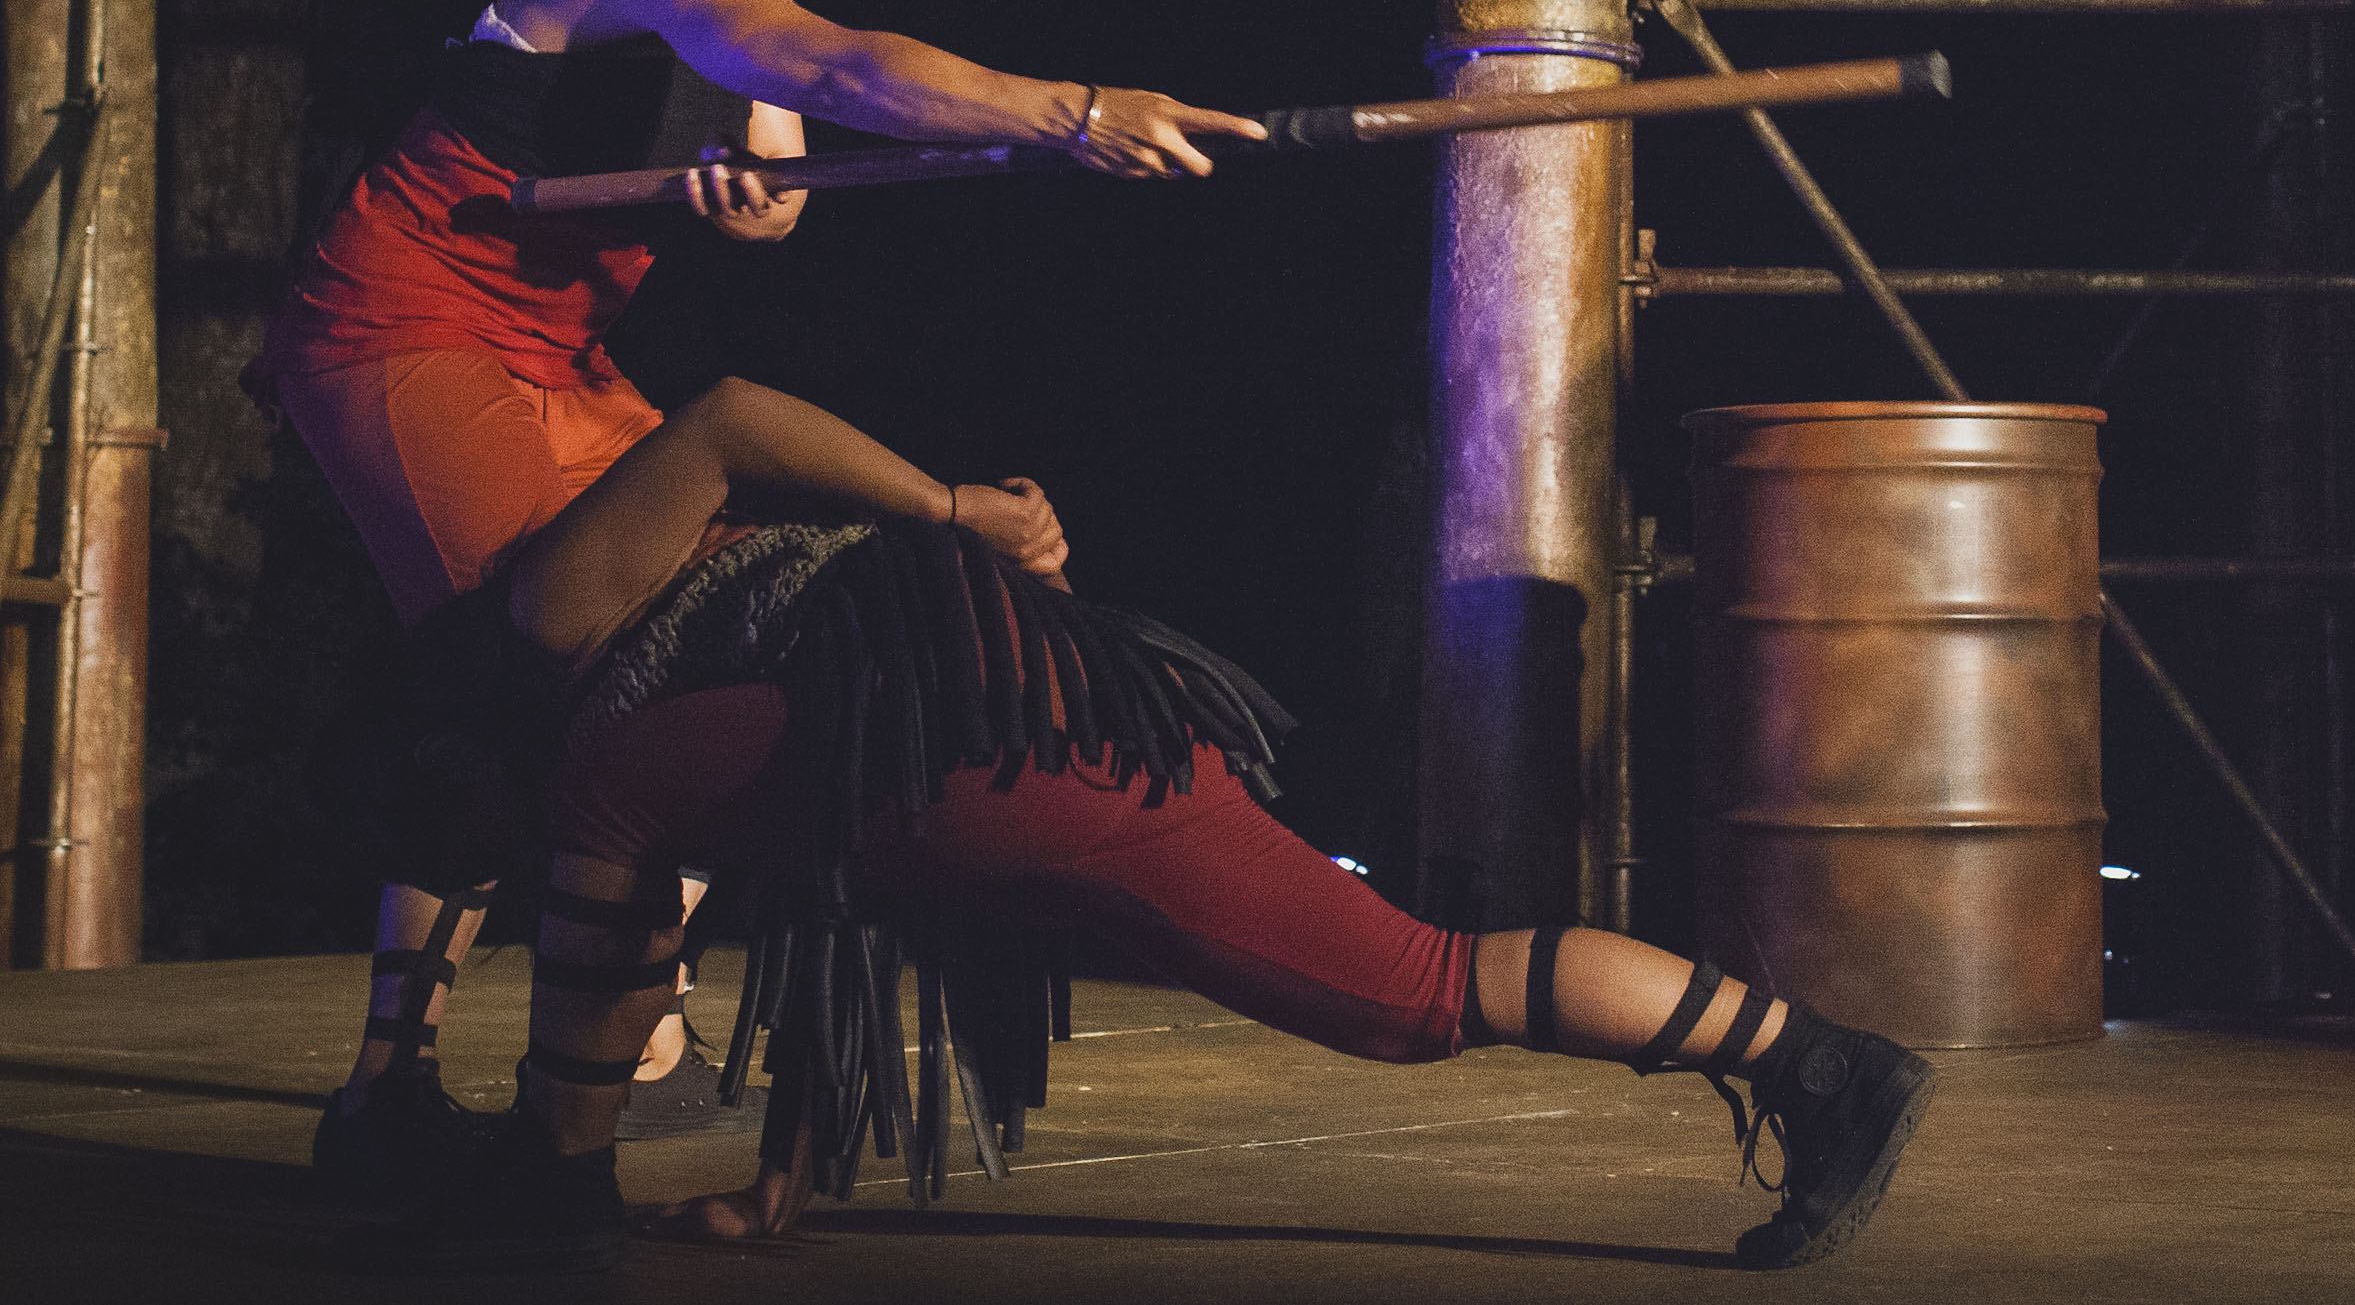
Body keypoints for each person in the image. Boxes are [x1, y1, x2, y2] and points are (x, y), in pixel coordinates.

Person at [245, 0, 1263, 1184]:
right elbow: (832, 70)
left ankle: (624, 1034)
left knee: (696, 633)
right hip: (403, 316)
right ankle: (387, 1087)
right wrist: (1068, 109)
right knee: (518, 663)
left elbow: (778, 174)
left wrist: (742, 201)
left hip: (557, 342)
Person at [356, 374, 1936, 1277]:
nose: (495, 880)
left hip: (1017, 732)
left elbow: (723, 415)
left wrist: (952, 506)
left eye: (467, 853)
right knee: (1409, 990)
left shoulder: (548, 623)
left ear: (452, 748)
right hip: (1011, 731)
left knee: (1413, 992)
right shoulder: (748, 752)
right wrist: (786, 1179)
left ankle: (1821, 1064)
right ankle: (1807, 1062)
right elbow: (858, 904)